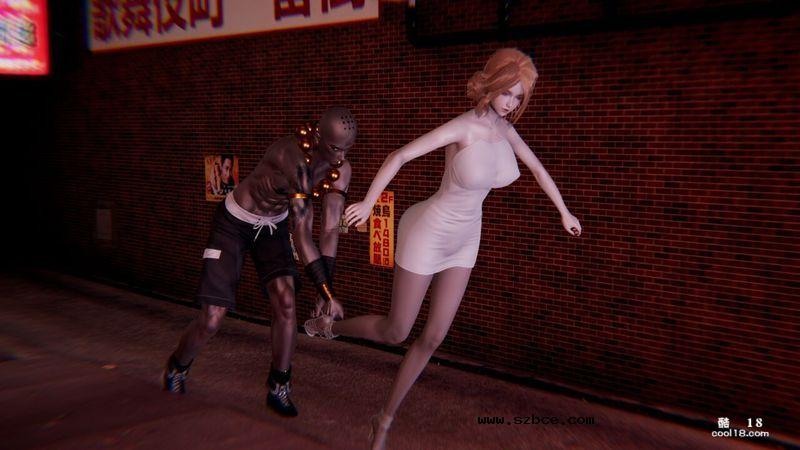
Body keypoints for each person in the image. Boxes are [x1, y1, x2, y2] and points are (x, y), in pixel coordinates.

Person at [304, 49, 581, 449]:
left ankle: (383, 420)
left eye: (518, 97)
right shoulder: (463, 127)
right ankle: (330, 327)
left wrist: (564, 211)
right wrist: (368, 202)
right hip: (429, 231)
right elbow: (401, 155)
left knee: (433, 337)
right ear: (490, 85)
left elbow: (537, 169)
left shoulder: (506, 131)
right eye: (506, 92)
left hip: (466, 238)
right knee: (397, 331)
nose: (510, 103)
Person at [163, 107, 356, 417]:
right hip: (234, 223)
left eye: (347, 148)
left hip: (271, 226)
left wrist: (326, 289)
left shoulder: (341, 169)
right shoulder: (294, 156)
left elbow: (331, 227)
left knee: (286, 302)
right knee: (212, 318)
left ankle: (279, 385)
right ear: (320, 137)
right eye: (335, 148)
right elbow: (302, 234)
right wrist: (326, 291)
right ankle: (178, 365)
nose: (341, 156)